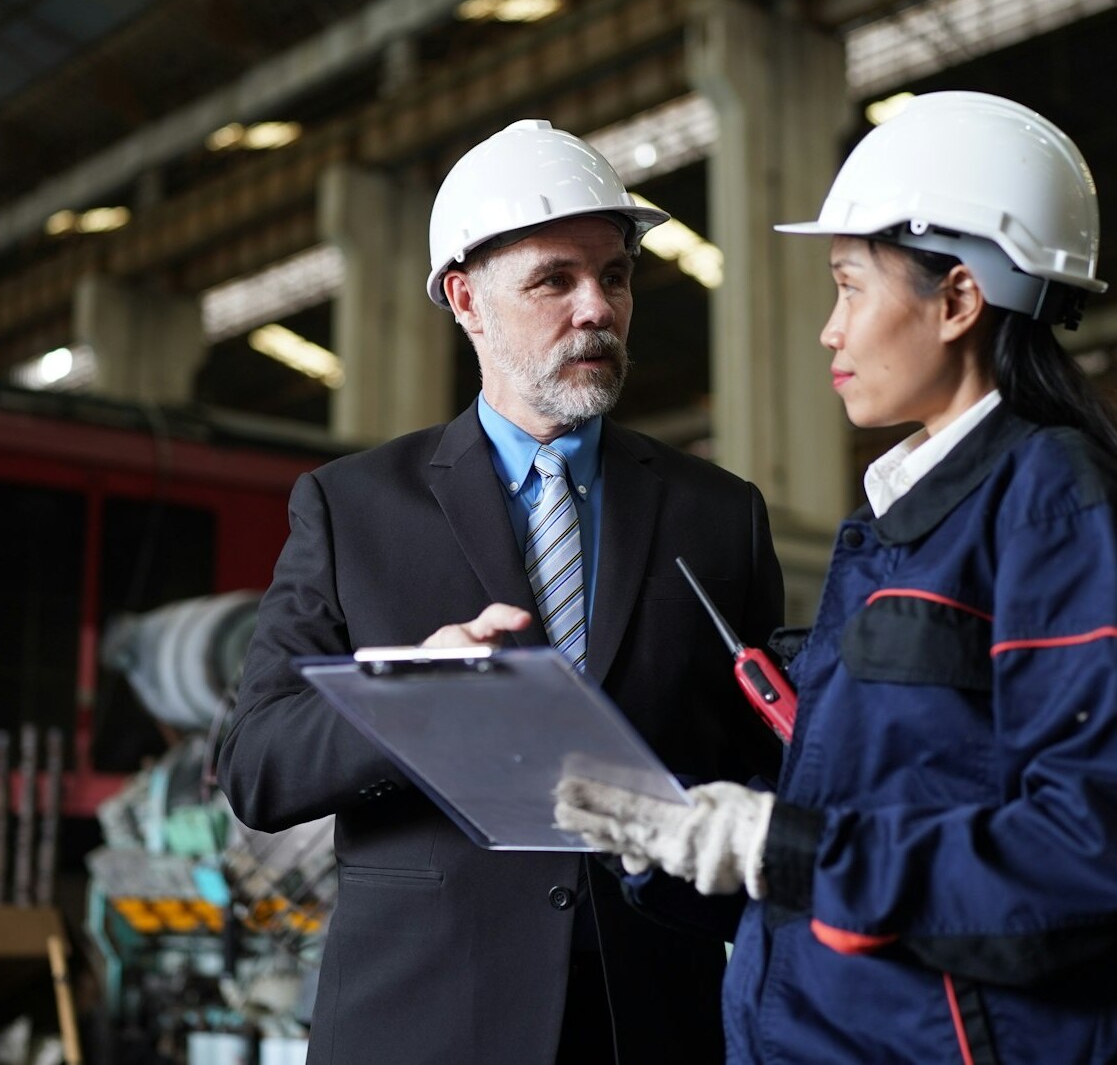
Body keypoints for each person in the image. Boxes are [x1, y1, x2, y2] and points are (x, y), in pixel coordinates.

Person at [555, 91, 1117, 1064]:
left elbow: (1086, 855)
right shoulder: (900, 522)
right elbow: (873, 809)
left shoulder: (1052, 508)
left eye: (851, 287)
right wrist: (687, 836)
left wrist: (780, 847)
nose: (829, 329)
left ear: (956, 300)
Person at [217, 118, 785, 1064]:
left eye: (615, 274)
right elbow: (258, 767)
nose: (596, 307)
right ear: (464, 297)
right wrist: (408, 700)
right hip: (421, 1019)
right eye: (554, 280)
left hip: (648, 1019)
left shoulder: (717, 515)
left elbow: (766, 766)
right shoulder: (352, 507)